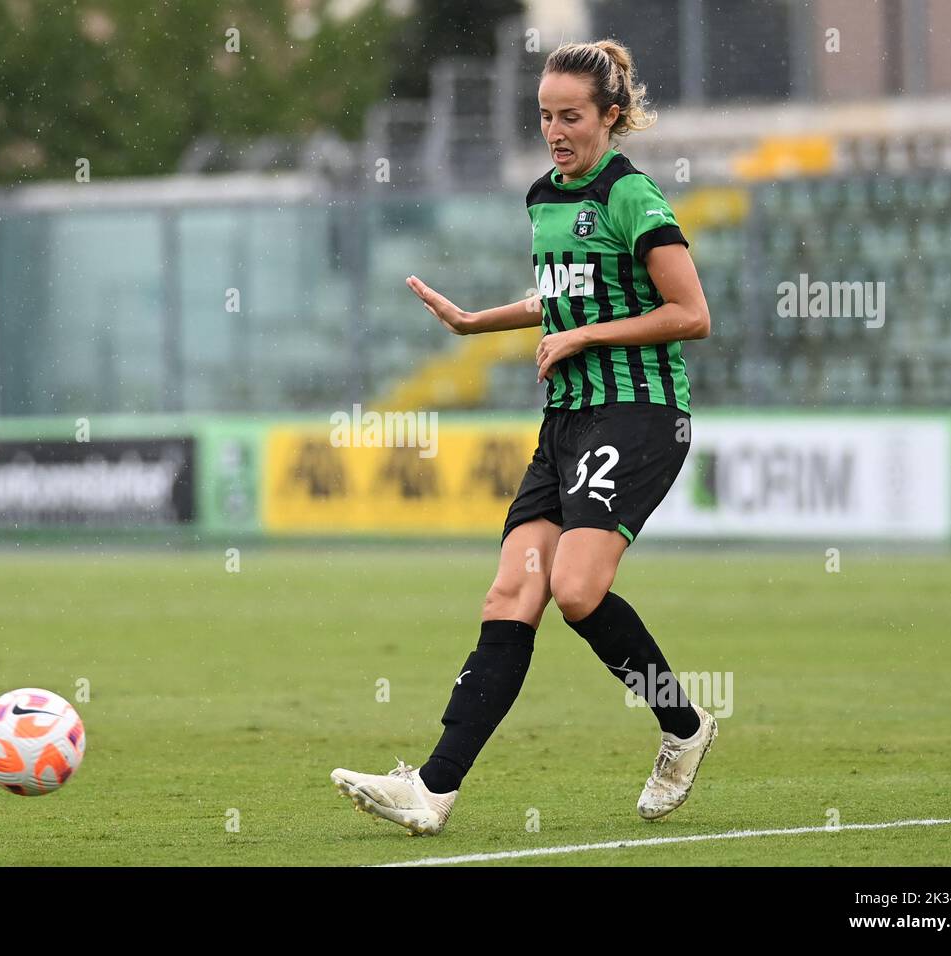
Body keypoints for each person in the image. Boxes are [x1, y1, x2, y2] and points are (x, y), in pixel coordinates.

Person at [331, 40, 715, 834]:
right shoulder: (543, 196)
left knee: (576, 590)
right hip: (567, 420)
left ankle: (683, 726)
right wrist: (480, 321)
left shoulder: (632, 196)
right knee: (512, 593)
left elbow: (690, 314)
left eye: (571, 116)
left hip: (639, 414)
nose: (555, 130)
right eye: (544, 115)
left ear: (611, 116)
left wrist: (582, 340)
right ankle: (431, 791)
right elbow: (566, 293)